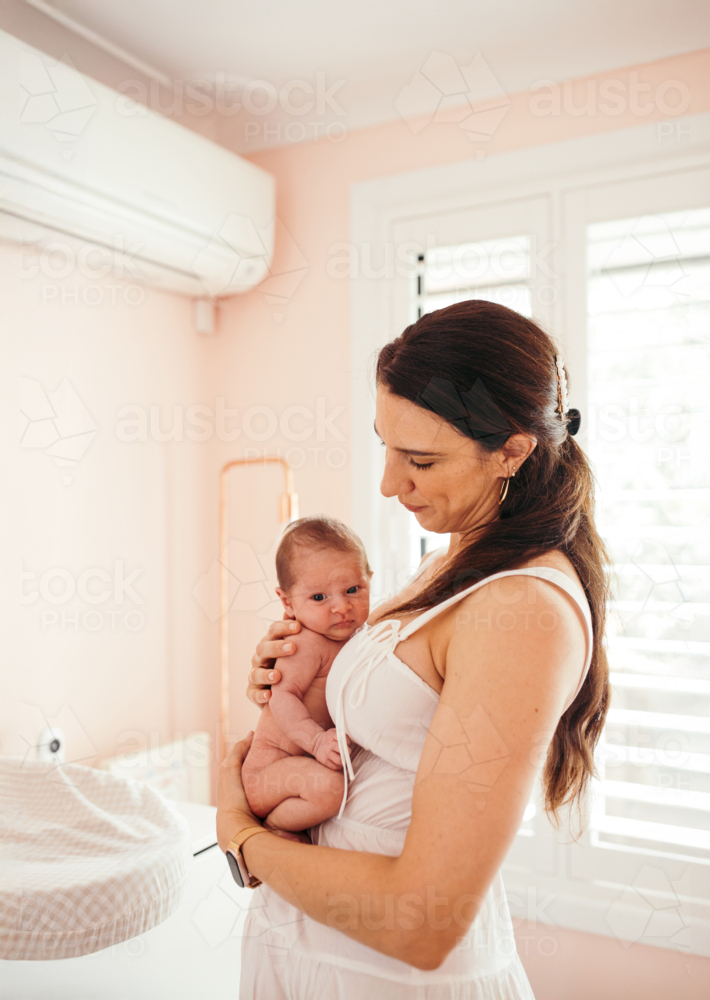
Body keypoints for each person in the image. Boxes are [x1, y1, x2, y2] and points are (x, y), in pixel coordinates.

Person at [217, 300, 611, 999]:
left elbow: (421, 920)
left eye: (420, 460)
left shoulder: (523, 609)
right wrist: (306, 673)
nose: (389, 483)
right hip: (316, 952)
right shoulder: (458, 562)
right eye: (386, 447)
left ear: (512, 451)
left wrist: (242, 839)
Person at [241, 516, 372, 835]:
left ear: (370, 579)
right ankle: (272, 830)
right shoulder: (302, 643)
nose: (341, 606)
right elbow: (281, 697)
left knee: (326, 787)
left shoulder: (359, 637)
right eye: (319, 597)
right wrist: (315, 740)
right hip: (268, 772)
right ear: (287, 602)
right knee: (329, 790)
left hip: (297, 770)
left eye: (353, 589)